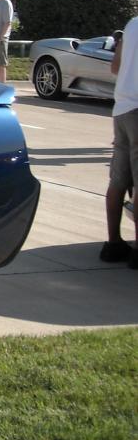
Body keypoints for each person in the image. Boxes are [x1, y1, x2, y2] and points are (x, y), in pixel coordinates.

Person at [100, 19, 138, 266]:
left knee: (118, 181)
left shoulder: (132, 24)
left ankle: (113, 244)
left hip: (122, 109)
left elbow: (115, 67)